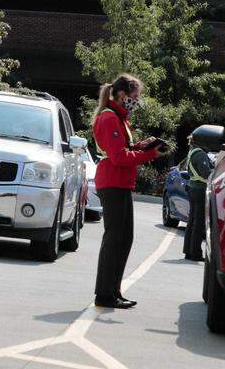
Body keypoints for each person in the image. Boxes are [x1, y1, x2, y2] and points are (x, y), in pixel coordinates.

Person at [92, 73, 161, 309]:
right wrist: (150, 154)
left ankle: (113, 291)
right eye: (135, 96)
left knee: (123, 239)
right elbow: (119, 157)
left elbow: (123, 149)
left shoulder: (120, 118)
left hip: (119, 183)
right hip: (113, 182)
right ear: (122, 95)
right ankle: (105, 294)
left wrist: (142, 146)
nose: (137, 100)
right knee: (114, 240)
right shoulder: (110, 118)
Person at [182, 130, 213, 261]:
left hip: (193, 187)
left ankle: (188, 251)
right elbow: (205, 173)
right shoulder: (200, 154)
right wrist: (215, 169)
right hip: (200, 189)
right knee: (199, 223)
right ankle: (195, 253)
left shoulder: (192, 151)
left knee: (192, 221)